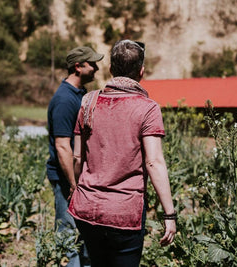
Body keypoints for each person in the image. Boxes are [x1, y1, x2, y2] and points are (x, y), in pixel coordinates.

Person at [68, 40, 177, 267]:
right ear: (141, 72)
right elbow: (154, 162)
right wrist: (169, 214)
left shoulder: (88, 102)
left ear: (110, 69)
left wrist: (77, 188)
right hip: (124, 213)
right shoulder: (147, 108)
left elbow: (77, 157)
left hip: (87, 209)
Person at [46, 46, 104, 267]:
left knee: (85, 235)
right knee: (68, 235)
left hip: (78, 178)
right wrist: (72, 183)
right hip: (66, 179)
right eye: (92, 64)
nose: (96, 68)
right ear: (78, 67)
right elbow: (62, 146)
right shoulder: (64, 100)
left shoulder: (78, 95)